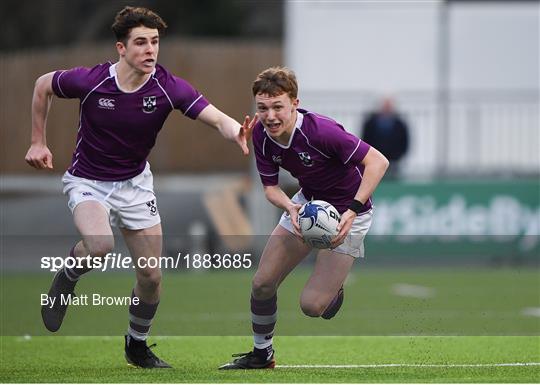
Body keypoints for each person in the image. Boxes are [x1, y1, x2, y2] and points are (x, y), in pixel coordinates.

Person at [24, 6, 255, 369]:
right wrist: (38, 141)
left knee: (150, 275)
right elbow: (42, 85)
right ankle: (68, 276)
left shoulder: (168, 86)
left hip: (135, 186)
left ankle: (137, 345)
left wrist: (235, 132)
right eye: (141, 43)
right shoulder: (92, 80)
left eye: (156, 42)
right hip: (88, 181)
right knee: (100, 245)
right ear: (121, 48)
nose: (151, 50)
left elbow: (215, 117)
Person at [219, 67, 388, 369]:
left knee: (312, 307)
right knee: (262, 283)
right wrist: (290, 207)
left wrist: (351, 209)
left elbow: (378, 162)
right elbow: (270, 188)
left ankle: (333, 290)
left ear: (295, 103)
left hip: (351, 213)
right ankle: (262, 354)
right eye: (263, 107)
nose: (270, 115)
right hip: (306, 206)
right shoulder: (260, 132)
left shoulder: (321, 132)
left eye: (277, 107)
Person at [361, 97, 409, 178]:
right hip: (374, 159)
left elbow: (404, 141)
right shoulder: (371, 123)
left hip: (393, 161)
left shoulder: (399, 124)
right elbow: (365, 140)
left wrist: (398, 156)